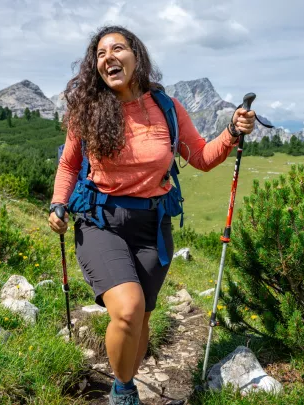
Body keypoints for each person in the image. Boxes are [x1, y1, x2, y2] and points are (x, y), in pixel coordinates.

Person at [48, 25, 255, 405]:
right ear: (95, 66)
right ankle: (123, 391)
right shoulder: (87, 110)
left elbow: (201, 157)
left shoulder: (167, 108)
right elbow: (68, 164)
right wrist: (58, 203)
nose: (108, 57)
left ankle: (124, 380)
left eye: (118, 49)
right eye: (100, 54)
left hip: (152, 227)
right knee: (127, 310)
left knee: (141, 318)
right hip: (100, 221)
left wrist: (231, 132)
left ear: (136, 56)